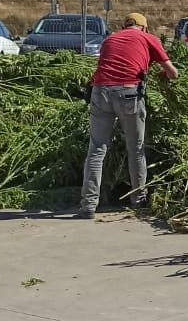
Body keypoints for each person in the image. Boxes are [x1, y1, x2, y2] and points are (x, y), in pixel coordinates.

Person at [76, 13, 178, 219]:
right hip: (129, 94)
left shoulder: (110, 39)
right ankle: (139, 200)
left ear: (125, 26)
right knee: (136, 148)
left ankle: (88, 205)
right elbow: (172, 72)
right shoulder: (148, 38)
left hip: (100, 92)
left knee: (96, 149)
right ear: (144, 27)